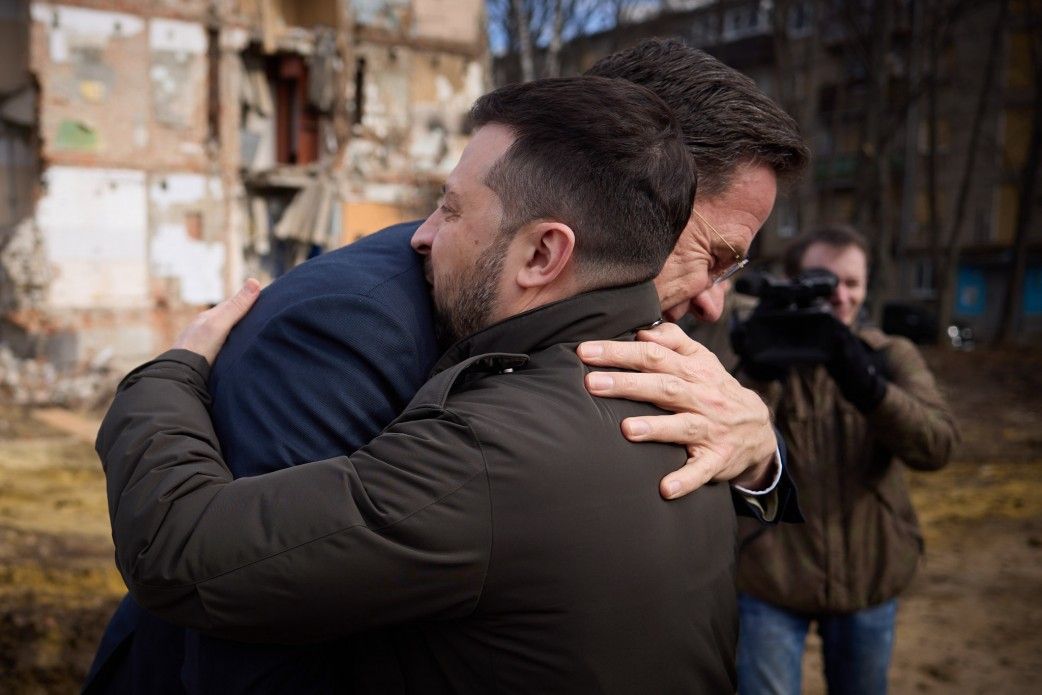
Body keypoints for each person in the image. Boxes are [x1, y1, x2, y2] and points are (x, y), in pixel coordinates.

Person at [84, 38, 809, 693]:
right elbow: (245, 621)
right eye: (711, 255)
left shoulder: (643, 361)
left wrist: (760, 456)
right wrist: (171, 373)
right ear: (631, 187)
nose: (713, 301)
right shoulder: (354, 321)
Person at [733, 226, 957, 695]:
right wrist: (757, 373)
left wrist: (870, 388)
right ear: (793, 282)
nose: (840, 295)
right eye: (825, 281)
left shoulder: (889, 355)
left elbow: (937, 447)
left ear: (866, 287)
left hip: (868, 572)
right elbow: (727, 453)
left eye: (852, 283)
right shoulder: (761, 352)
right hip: (771, 574)